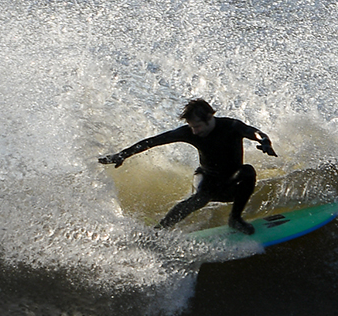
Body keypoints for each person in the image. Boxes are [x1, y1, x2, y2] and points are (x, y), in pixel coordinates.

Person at [99, 98, 277, 234]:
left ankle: (235, 219)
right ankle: (159, 231)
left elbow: (254, 132)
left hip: (229, 182)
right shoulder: (191, 133)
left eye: (198, 126)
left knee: (248, 171)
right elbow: (153, 141)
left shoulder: (231, 126)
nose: (195, 131)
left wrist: (265, 142)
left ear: (209, 117)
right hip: (206, 178)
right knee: (201, 197)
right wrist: (123, 154)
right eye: (192, 127)